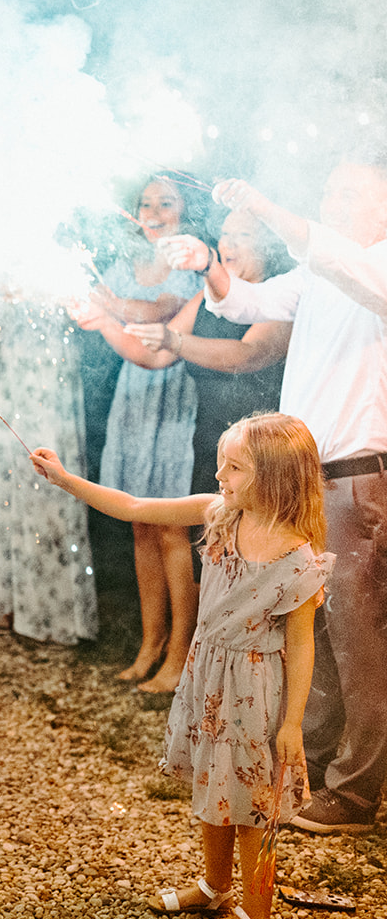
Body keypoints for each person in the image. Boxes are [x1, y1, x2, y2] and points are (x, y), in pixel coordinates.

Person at [33, 412, 329, 919]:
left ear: (275, 477)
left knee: (254, 806)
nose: (219, 476)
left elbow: (302, 646)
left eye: (234, 467)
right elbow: (135, 507)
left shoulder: (298, 560)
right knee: (215, 785)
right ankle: (216, 887)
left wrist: (292, 724)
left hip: (255, 694)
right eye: (221, 464)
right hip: (209, 678)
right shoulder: (220, 514)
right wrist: (65, 479)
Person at [162, 159, 387, 835]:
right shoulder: (318, 270)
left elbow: (325, 250)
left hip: (356, 476)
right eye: (329, 187)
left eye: (350, 191)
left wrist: (263, 206)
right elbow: (247, 304)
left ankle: (355, 794)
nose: (332, 198)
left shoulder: (374, 264)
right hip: (306, 480)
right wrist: (208, 264)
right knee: (309, 622)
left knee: (359, 637)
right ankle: (310, 765)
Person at [84, 208, 291, 690]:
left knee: (254, 563)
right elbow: (151, 354)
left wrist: (175, 339)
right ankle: (186, 661)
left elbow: (245, 355)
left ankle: (244, 683)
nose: (228, 245)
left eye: (242, 236)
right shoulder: (207, 297)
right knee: (211, 557)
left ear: (268, 246)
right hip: (212, 443)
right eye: (225, 235)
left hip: (262, 446)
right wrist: (103, 322)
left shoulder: (279, 297)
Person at [80, 177, 204, 691]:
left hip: (173, 389)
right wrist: (93, 301)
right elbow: (98, 303)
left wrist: (109, 307)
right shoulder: (122, 266)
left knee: (172, 527)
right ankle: (151, 643)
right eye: (145, 203)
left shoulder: (190, 264)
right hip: (133, 392)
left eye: (165, 203)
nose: (153, 212)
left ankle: (181, 654)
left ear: (184, 212)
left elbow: (157, 313)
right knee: (139, 523)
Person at [0, 297, 98, 645]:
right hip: (11, 368)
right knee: (4, 475)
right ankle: (1, 597)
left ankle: (50, 608)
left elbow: (85, 306)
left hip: (49, 367)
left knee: (47, 475)